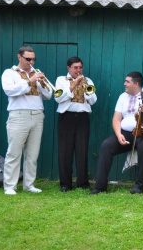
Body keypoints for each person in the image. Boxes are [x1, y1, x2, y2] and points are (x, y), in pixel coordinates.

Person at [90, 71, 143, 195]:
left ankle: (139, 186)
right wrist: (119, 135)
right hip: (128, 132)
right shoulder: (123, 96)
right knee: (106, 146)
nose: (125, 84)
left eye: (127, 81)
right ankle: (100, 186)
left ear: (136, 84)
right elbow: (116, 118)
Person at [1, 46, 52, 195]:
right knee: (14, 153)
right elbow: (10, 90)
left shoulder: (36, 74)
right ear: (19, 57)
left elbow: (48, 96)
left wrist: (42, 82)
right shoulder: (10, 73)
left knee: (32, 154)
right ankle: (10, 186)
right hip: (18, 115)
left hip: (37, 114)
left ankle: (29, 185)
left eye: (33, 59)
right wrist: (30, 81)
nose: (31, 62)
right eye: (28, 59)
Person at [54, 57, 97, 192]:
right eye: (75, 67)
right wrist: (73, 85)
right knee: (65, 151)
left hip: (83, 117)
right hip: (66, 117)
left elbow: (93, 100)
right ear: (69, 68)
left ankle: (83, 182)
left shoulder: (88, 81)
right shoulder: (61, 80)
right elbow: (58, 98)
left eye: (80, 67)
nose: (78, 70)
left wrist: (85, 87)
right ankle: (65, 184)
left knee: (82, 150)